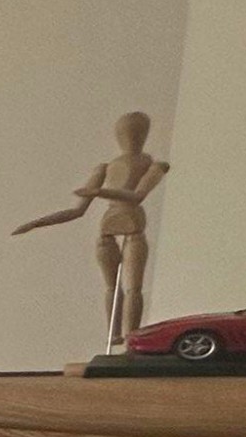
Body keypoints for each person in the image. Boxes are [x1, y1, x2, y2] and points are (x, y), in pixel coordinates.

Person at [14, 110, 169, 350]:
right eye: (125, 131)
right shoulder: (105, 168)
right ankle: (113, 335)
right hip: (107, 228)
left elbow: (138, 195)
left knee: (133, 288)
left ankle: (132, 339)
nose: (128, 137)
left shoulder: (153, 165)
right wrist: (37, 223)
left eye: (135, 131)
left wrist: (100, 192)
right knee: (112, 286)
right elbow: (76, 211)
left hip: (133, 224)